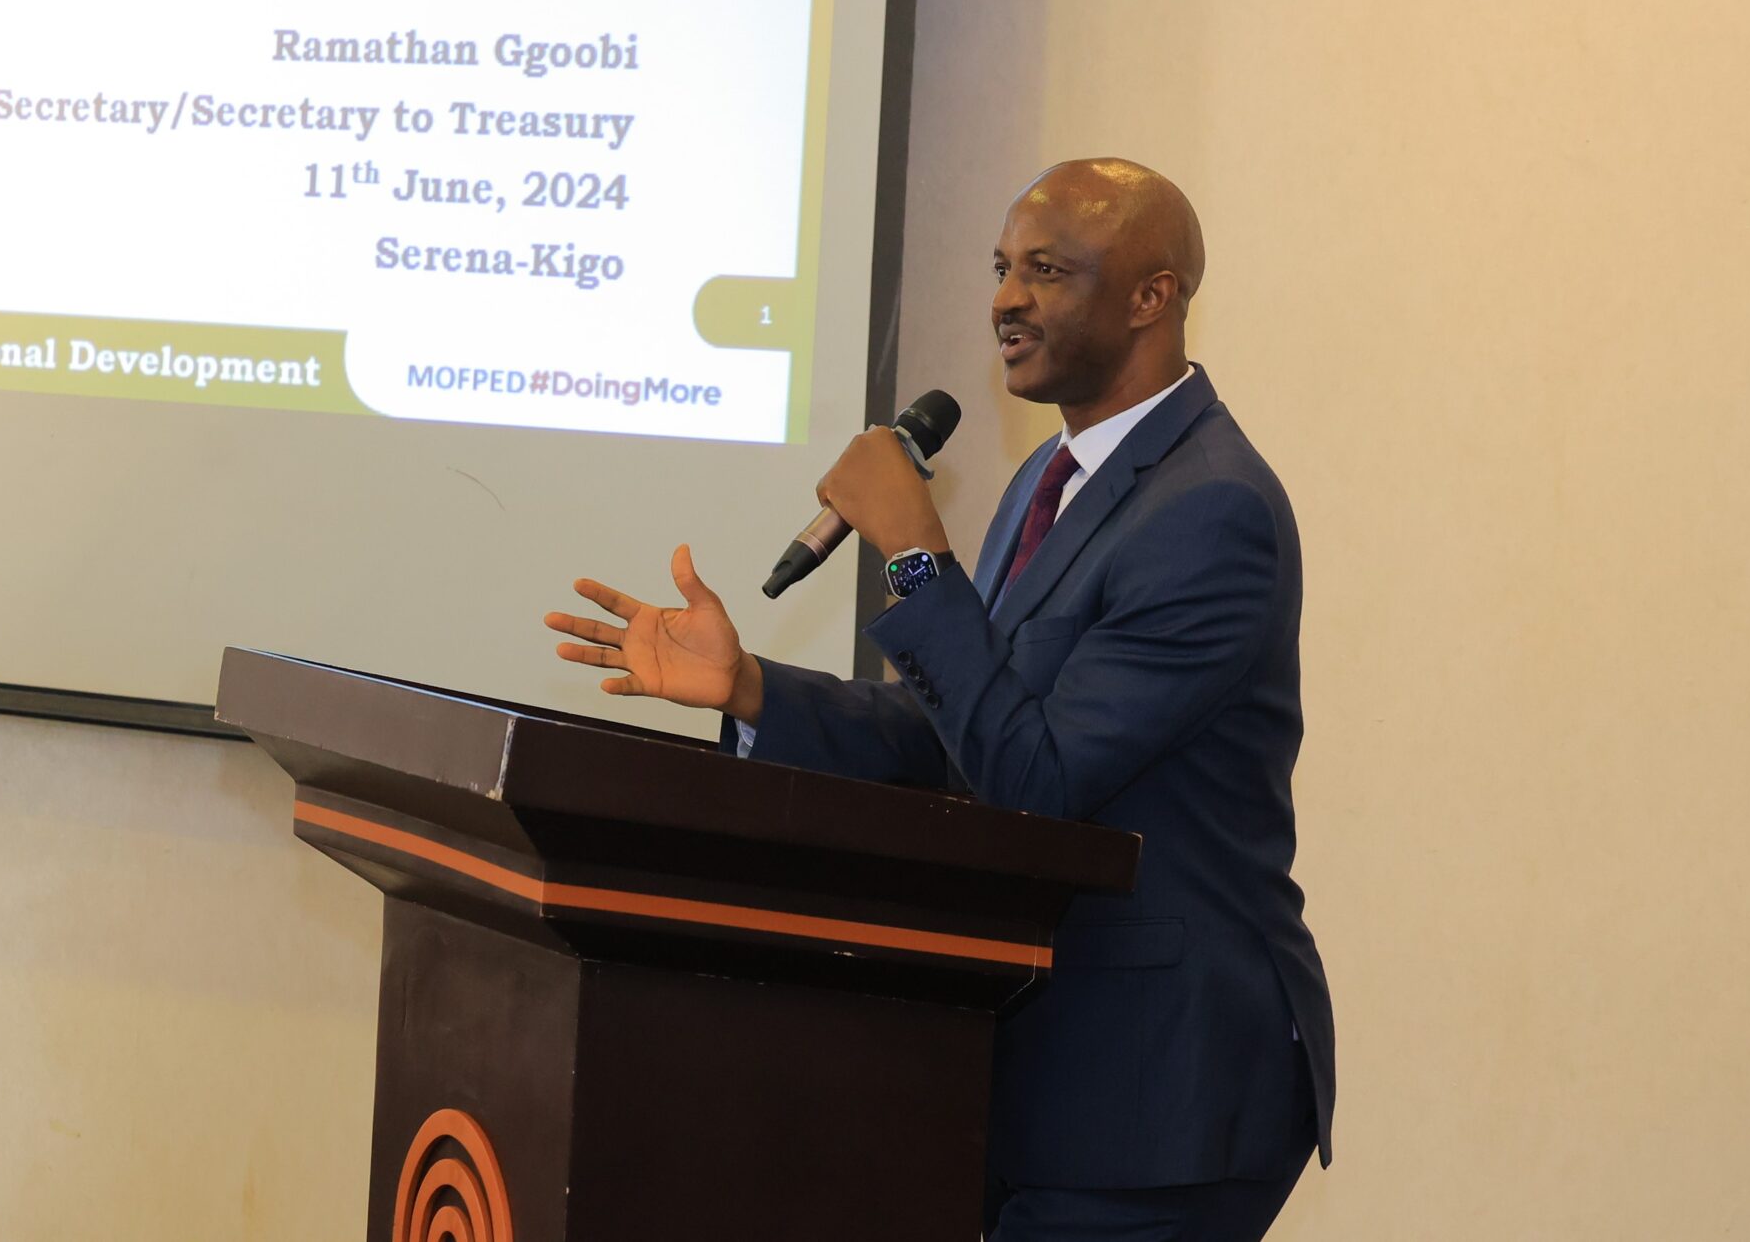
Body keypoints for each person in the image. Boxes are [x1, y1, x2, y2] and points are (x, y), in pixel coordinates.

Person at [544, 159, 1334, 1242]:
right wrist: (750, 688)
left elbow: (1034, 780)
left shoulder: (1211, 513)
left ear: (1153, 297)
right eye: (1002, 268)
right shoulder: (1047, 484)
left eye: (1046, 271)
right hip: (1042, 1064)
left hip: (1160, 1087)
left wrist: (915, 553)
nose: (1005, 298)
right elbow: (959, 731)